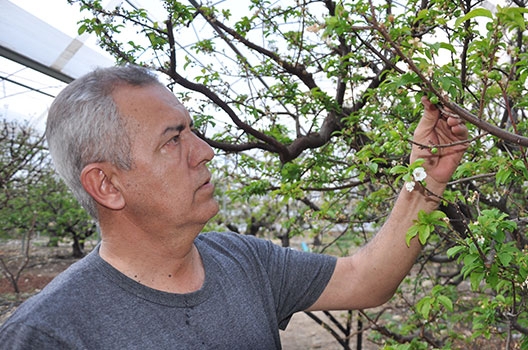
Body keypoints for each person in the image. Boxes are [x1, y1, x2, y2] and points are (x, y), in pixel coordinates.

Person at [0, 65, 468, 349]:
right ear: (107, 184)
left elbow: (367, 279)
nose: (204, 151)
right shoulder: (47, 335)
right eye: (173, 139)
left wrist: (422, 182)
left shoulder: (243, 261)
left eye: (192, 129)